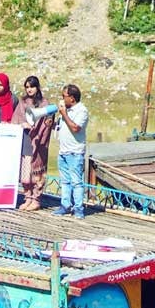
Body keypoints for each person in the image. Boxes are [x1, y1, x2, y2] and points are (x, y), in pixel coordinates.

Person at [10, 76, 54, 211]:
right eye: (27, 87)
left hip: (38, 142)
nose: (29, 90)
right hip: (25, 140)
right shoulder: (23, 102)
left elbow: (48, 123)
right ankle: (27, 197)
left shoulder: (45, 104)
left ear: (37, 87)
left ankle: (36, 199)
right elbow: (15, 119)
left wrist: (36, 129)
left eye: (32, 87)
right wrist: (21, 124)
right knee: (25, 173)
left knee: (37, 172)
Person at [53, 84, 89, 219]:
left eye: (64, 96)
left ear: (72, 98)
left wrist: (64, 114)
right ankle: (65, 205)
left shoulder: (82, 111)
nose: (62, 99)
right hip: (63, 151)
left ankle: (79, 208)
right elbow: (59, 128)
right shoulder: (65, 111)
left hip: (75, 152)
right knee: (65, 181)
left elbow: (75, 128)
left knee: (76, 182)